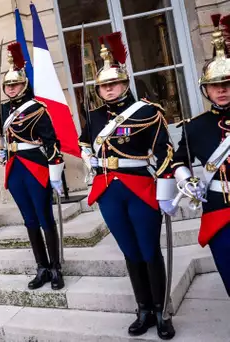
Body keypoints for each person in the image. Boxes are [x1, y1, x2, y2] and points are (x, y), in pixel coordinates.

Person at [78, 32, 176, 339]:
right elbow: (85, 142)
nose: (109, 90)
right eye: (104, 86)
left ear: (125, 82)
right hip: (109, 191)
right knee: (130, 251)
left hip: (140, 189)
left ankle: (161, 311)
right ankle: (143, 309)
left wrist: (166, 189)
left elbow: (164, 151)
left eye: (114, 84)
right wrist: (87, 157)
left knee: (149, 250)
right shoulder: (93, 116)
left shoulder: (148, 111)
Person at [0, 42, 65, 290]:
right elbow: (3, 136)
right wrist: (3, 151)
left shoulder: (37, 108)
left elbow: (51, 142)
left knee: (45, 216)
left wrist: (55, 173)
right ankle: (42, 267)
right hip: (15, 170)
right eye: (8, 85)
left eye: (15, 85)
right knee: (29, 219)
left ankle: (56, 267)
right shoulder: (4, 109)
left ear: (24, 85)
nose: (11, 89)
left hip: (35, 167)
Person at [172, 14, 230, 297]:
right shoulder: (194, 127)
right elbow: (177, 159)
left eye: (228, 83)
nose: (222, 90)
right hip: (219, 212)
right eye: (215, 85)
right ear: (205, 89)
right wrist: (186, 179)